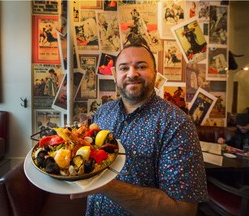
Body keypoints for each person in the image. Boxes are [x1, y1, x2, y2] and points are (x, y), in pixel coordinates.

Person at [71, 43, 208, 215]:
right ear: (115, 75)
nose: (132, 73)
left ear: (155, 74)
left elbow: (183, 210)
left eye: (141, 66)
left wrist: (106, 185)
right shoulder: (103, 112)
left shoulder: (177, 124)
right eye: (124, 68)